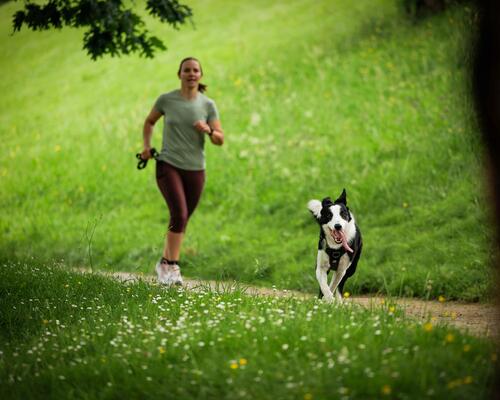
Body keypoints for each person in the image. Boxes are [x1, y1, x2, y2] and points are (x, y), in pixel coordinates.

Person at [141, 57, 224, 285]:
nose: (191, 74)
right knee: (179, 213)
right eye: (186, 70)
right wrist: (146, 148)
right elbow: (149, 122)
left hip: (196, 168)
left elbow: (220, 139)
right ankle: (173, 267)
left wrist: (208, 130)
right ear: (179, 74)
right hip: (168, 164)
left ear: (200, 75)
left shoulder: (208, 105)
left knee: (181, 218)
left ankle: (164, 264)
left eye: (195, 70)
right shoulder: (167, 100)